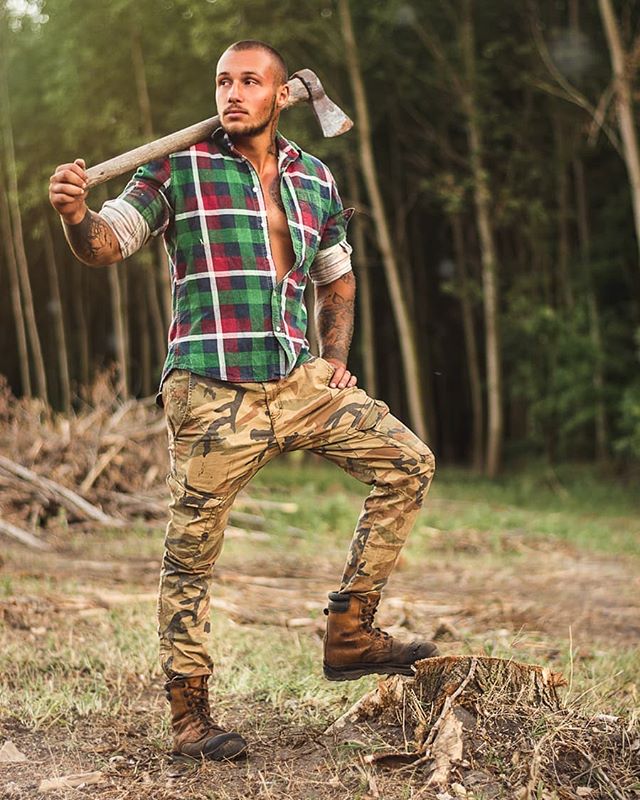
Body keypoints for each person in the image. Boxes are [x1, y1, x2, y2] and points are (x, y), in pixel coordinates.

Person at [49, 40, 438, 762]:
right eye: (223, 81)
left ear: (283, 95)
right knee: (190, 556)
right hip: (211, 389)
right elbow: (107, 243)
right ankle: (189, 716)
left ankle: (351, 631)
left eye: (250, 81)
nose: (232, 93)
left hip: (296, 382)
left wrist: (335, 363)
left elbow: (337, 278)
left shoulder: (315, 179)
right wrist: (77, 215)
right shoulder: (178, 167)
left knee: (408, 464)